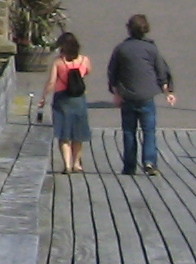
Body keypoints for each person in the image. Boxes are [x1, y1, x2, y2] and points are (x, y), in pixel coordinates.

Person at [107, 15, 177, 175]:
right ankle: (149, 162)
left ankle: (129, 166)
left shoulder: (121, 49)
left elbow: (113, 72)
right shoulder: (152, 49)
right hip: (146, 97)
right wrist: (168, 92)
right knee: (149, 131)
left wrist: (116, 93)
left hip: (127, 96)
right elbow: (161, 72)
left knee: (129, 131)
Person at [48, 30, 94, 174]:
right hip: (79, 98)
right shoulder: (84, 60)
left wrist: (43, 97)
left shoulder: (58, 62)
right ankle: (76, 163)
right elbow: (87, 71)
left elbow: (51, 82)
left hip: (62, 99)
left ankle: (67, 164)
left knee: (64, 133)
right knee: (78, 133)